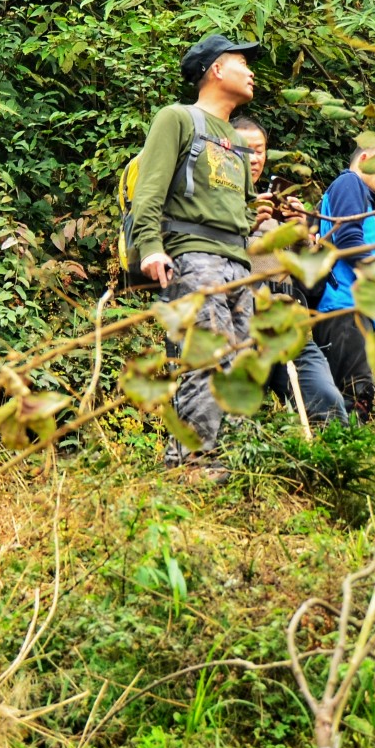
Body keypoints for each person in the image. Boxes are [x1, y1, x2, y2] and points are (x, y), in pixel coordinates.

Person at [132, 33, 261, 478]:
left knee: (240, 365)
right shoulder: (177, 119)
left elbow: (242, 208)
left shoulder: (237, 139)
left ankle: (226, 465)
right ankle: (193, 463)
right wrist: (151, 248)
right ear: (216, 70)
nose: (252, 72)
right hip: (194, 256)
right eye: (242, 62)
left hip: (238, 264)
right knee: (206, 359)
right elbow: (149, 191)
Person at [231, 115, 349, 424]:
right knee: (238, 421)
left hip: (288, 331)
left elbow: (314, 287)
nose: (254, 158)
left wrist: (300, 239)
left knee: (328, 401)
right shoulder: (213, 206)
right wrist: (246, 222)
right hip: (237, 333)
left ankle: (332, 470)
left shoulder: (277, 211)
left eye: (260, 150)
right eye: (245, 150)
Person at [316, 139, 375, 417]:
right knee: (356, 393)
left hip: (347, 312)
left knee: (350, 394)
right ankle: (347, 453)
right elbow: (349, 240)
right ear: (365, 159)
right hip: (344, 311)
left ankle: (343, 450)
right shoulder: (350, 183)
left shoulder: (355, 196)